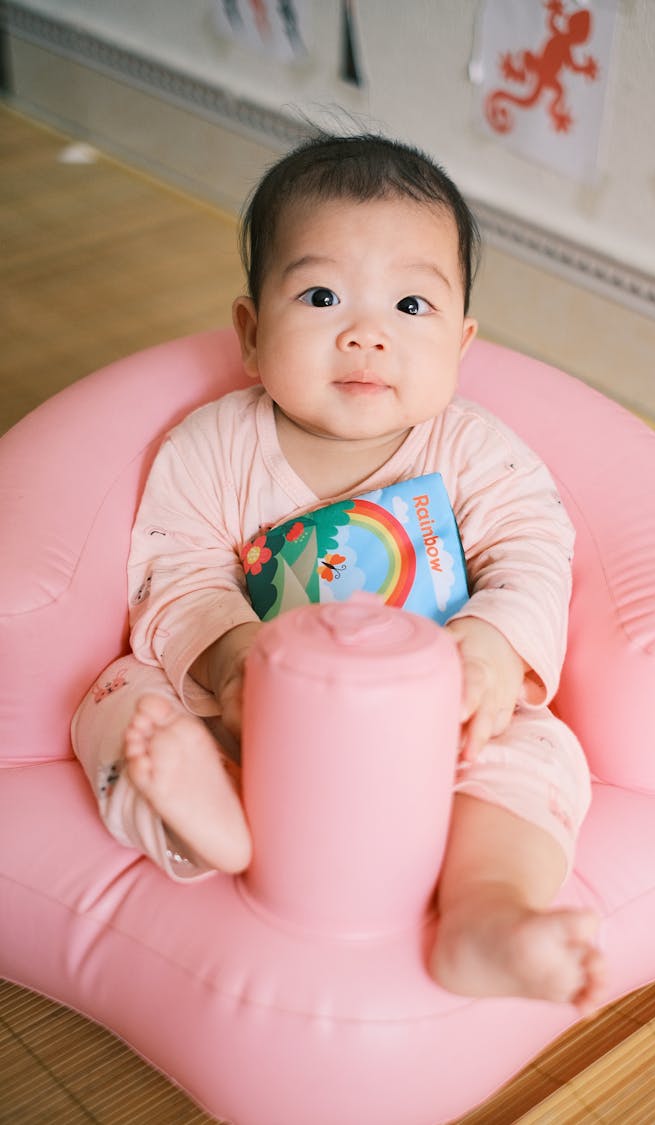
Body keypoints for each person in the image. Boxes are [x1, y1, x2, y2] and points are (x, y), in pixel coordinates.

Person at [72, 132, 604, 1010]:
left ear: (462, 343)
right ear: (250, 332)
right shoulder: (210, 447)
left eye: (411, 306)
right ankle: (213, 821)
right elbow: (176, 572)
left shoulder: (474, 450)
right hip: (253, 715)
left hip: (444, 722)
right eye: (322, 295)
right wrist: (236, 664)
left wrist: (489, 650)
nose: (366, 334)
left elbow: (535, 553)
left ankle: (484, 912)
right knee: (117, 702)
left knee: (541, 750)